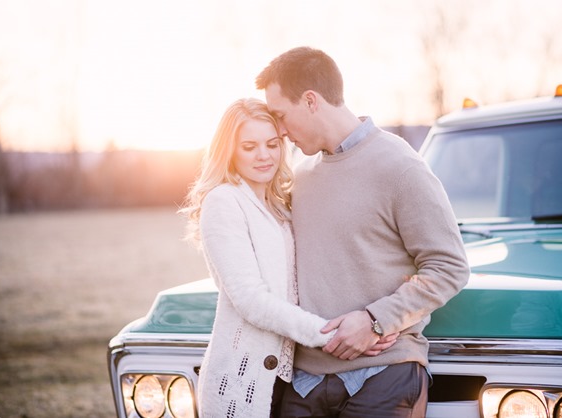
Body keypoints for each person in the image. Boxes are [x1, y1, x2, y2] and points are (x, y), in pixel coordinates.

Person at [255, 46, 471, 417]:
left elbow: (449, 267)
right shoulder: (300, 177)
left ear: (310, 100)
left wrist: (374, 320)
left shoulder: (401, 167)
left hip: (384, 372)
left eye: (280, 116)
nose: (280, 130)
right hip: (304, 381)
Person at [181, 98, 395, 418]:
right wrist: (332, 335)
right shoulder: (223, 201)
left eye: (272, 143)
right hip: (242, 382)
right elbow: (251, 300)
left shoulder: (279, 203)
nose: (264, 155)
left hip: (289, 380)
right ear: (229, 150)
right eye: (249, 146)